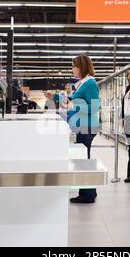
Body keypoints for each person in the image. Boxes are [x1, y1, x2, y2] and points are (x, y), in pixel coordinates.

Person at [46, 55, 100, 203]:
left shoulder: (90, 83)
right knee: (83, 158)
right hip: (82, 125)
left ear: (81, 67)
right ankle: (88, 192)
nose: (72, 69)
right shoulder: (82, 84)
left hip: (87, 126)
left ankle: (88, 194)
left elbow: (95, 107)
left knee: (84, 160)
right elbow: (71, 101)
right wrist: (56, 96)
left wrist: (74, 106)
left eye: (74, 66)